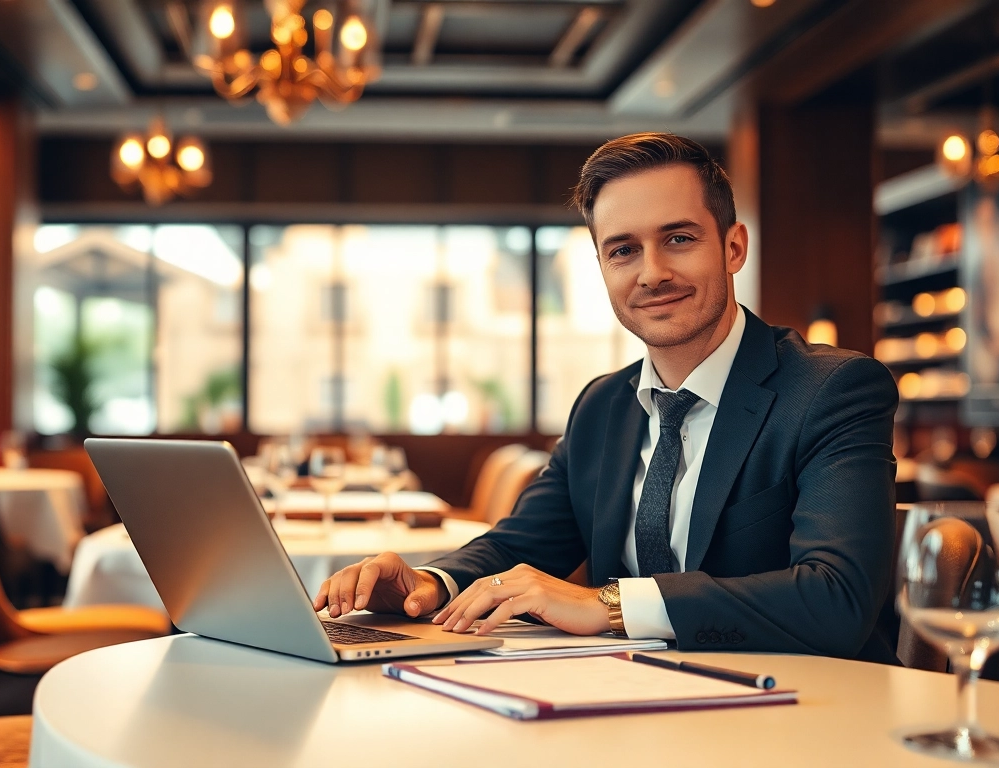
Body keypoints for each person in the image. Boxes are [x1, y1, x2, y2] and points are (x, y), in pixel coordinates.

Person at [313, 132, 899, 661]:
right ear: (601, 267)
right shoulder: (603, 405)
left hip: (809, 715)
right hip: (640, 702)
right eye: (623, 250)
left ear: (733, 247)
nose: (651, 273)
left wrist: (612, 604)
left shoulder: (833, 389)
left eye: (678, 238)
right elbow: (522, 544)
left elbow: (838, 598)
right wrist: (427, 583)